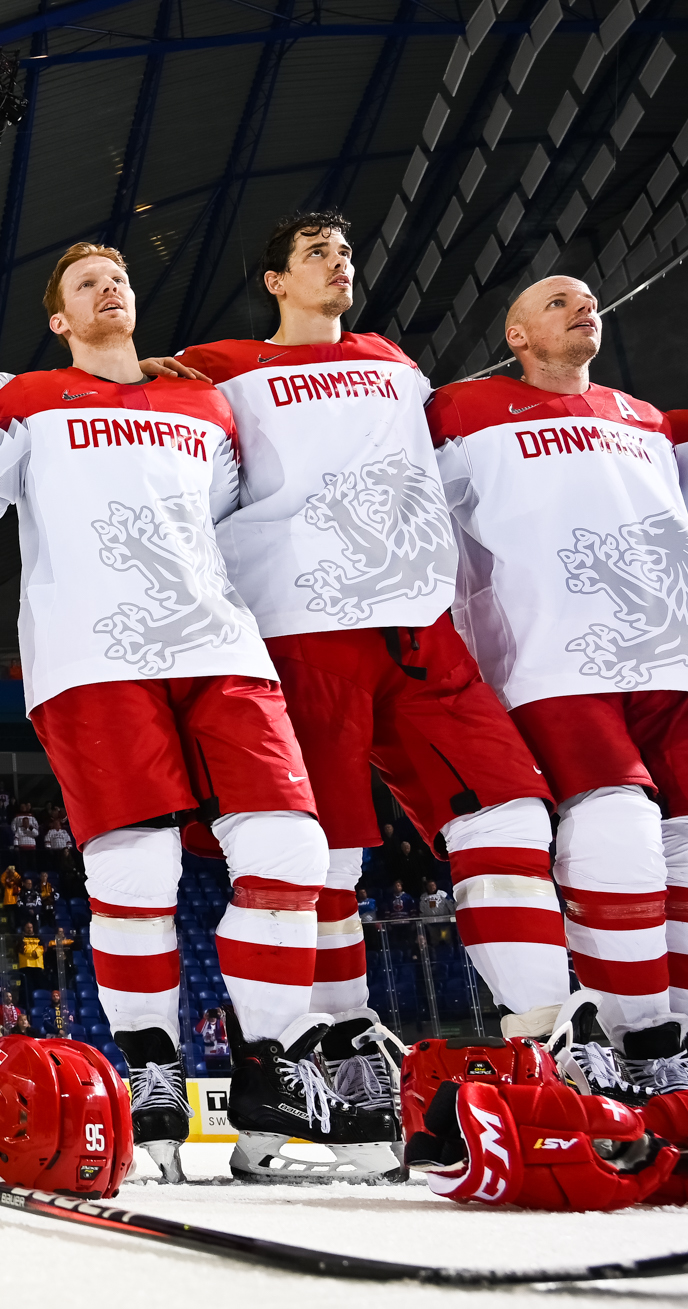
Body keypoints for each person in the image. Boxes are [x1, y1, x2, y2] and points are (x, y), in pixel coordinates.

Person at [0, 241, 391, 1185]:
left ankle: (269, 1070)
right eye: (83, 284)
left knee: (290, 849)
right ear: (59, 320)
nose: (109, 287)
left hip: (222, 645)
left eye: (117, 276)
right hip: (90, 657)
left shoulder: (204, 402)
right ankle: (152, 1072)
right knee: (138, 866)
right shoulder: (28, 400)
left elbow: (242, 517)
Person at [174, 211, 564, 1127]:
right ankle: (336, 1056)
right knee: (326, 859)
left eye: (345, 252)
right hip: (302, 626)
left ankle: (548, 1042)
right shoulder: (218, 365)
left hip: (424, 626)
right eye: (315, 252)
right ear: (275, 280)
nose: (338, 264)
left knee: (509, 814)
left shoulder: (397, 360)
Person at [429, 274, 688, 1095]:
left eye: (588, 300)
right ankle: (638, 1042)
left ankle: (671, 1051)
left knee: (679, 850)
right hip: (553, 662)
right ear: (516, 336)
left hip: (671, 659)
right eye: (558, 302)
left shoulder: (646, 419)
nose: (585, 308)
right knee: (615, 827)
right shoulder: (454, 413)